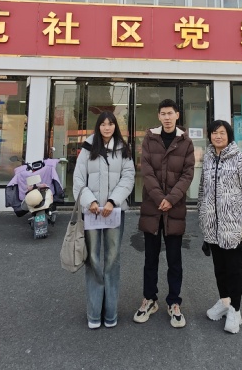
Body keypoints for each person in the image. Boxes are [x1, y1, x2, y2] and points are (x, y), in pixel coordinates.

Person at [134, 99, 195, 328]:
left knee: (174, 259)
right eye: (163, 113)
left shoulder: (186, 142)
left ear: (177, 115)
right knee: (150, 258)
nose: (167, 117)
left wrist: (171, 199)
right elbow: (146, 170)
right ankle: (149, 300)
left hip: (174, 209)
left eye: (170, 113)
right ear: (158, 116)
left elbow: (188, 174)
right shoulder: (150, 139)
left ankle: (174, 302)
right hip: (153, 208)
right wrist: (160, 198)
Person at [73, 111, 135, 329]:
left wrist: (112, 201)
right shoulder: (88, 148)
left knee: (112, 259)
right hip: (91, 212)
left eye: (111, 124)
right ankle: (93, 313)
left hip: (113, 212)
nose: (107, 127)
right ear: (98, 126)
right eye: (103, 124)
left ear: (115, 126)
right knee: (93, 259)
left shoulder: (123, 149)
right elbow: (78, 178)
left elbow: (128, 178)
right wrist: (89, 200)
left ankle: (110, 313)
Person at [198, 119, 242, 334]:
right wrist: (202, 211)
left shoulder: (239, 159)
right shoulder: (208, 157)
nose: (218, 136)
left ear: (229, 135)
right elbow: (203, 188)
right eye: (214, 133)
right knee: (219, 267)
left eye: (222, 133)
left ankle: (235, 309)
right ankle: (224, 302)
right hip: (212, 223)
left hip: (233, 222)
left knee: (234, 267)